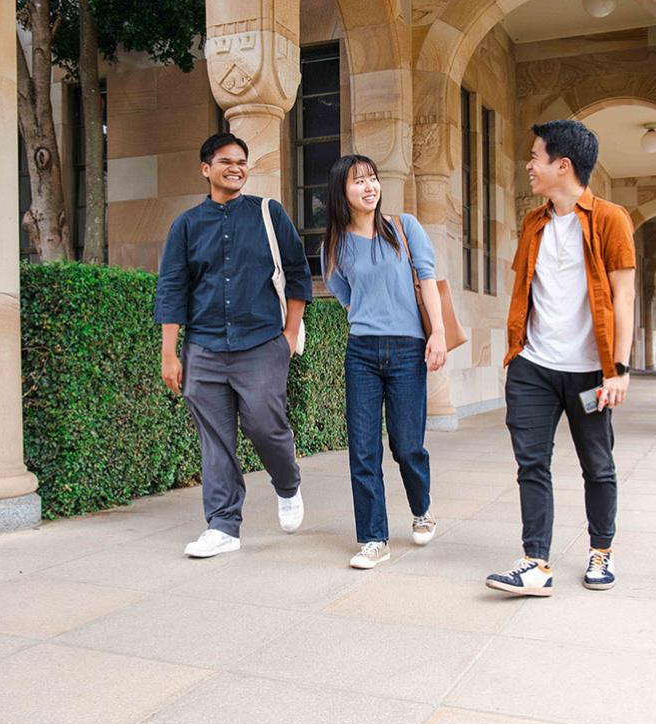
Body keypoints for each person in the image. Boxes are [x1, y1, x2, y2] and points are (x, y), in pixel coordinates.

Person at [486, 120, 636, 596]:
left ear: (562, 165)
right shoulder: (533, 223)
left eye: (536, 157)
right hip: (534, 367)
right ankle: (535, 561)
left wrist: (621, 370)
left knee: (598, 462)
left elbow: (624, 296)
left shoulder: (610, 219)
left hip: (592, 371)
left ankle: (601, 550)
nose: (529, 166)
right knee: (532, 464)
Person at [155, 133, 312, 558]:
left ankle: (287, 482)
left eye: (241, 161)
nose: (236, 167)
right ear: (206, 168)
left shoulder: (268, 213)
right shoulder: (187, 225)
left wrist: (289, 335)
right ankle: (223, 525)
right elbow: (172, 288)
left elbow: (298, 273)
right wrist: (170, 353)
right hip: (203, 348)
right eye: (225, 161)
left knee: (265, 423)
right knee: (216, 440)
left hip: (262, 343)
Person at [322, 154, 447, 569]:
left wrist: (439, 335)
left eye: (372, 179)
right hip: (361, 352)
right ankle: (374, 537)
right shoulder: (335, 244)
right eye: (359, 181)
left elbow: (427, 280)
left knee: (407, 444)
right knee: (363, 449)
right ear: (342, 191)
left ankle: (422, 508)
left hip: (408, 349)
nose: (369, 187)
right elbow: (343, 294)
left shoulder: (404, 227)